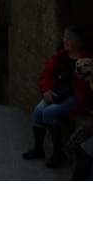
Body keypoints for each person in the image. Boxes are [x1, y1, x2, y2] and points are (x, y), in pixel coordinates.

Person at [22, 27, 93, 169]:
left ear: (79, 43)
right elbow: (46, 73)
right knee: (37, 111)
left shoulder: (87, 60)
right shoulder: (61, 57)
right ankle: (38, 149)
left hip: (74, 96)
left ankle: (58, 153)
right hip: (57, 92)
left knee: (49, 112)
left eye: (69, 39)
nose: (65, 41)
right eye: (64, 38)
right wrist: (47, 89)